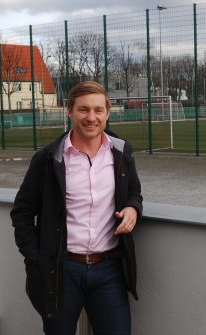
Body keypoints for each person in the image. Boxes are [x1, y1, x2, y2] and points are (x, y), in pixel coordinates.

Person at [11, 81, 142, 335]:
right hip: (61, 272)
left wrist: (133, 209)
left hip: (109, 271)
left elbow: (134, 193)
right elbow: (22, 212)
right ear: (69, 111)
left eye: (98, 110)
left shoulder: (122, 153)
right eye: (83, 110)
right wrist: (36, 260)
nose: (91, 117)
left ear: (107, 113)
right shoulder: (48, 159)